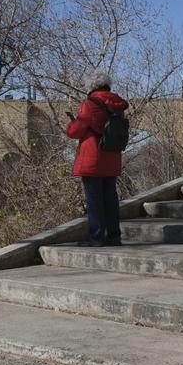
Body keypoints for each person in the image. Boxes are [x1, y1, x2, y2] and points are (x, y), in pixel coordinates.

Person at [66, 71, 129, 247]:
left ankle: (97, 237)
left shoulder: (89, 104)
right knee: (110, 198)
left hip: (93, 157)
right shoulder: (117, 104)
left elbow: (75, 131)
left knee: (94, 200)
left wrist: (71, 124)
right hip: (112, 155)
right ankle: (114, 235)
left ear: (91, 86)